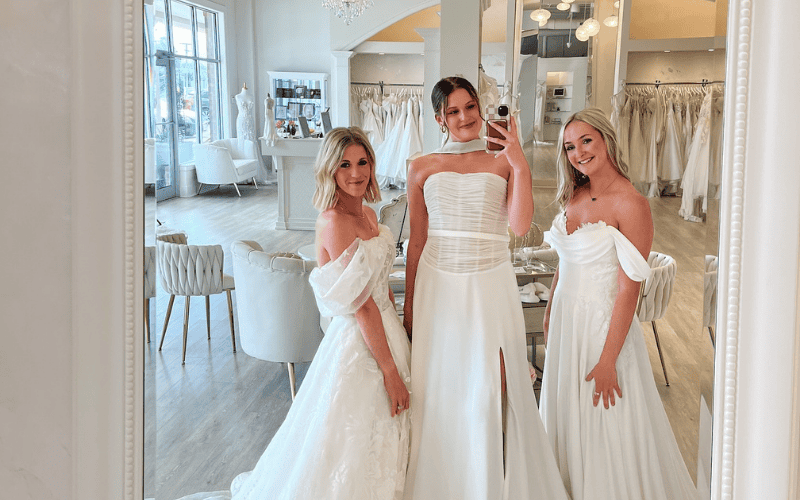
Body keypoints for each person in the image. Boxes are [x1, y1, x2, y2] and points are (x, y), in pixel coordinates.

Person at [174, 127, 412, 500]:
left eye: (362, 162)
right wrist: (390, 371)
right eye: (344, 164)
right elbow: (363, 305)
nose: (356, 173)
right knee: (351, 441)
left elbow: (379, 290)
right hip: (360, 342)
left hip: (387, 330)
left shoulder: (367, 214)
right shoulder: (335, 222)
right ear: (330, 170)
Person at [402, 76, 569, 500]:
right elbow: (417, 241)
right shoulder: (421, 166)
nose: (464, 118)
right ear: (440, 118)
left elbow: (517, 225)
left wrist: (519, 162)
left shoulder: (500, 160)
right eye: (453, 111)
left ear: (480, 107)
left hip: (489, 283)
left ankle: (485, 484)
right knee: (437, 387)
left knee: (486, 390)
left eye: (470, 108)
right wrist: (409, 304)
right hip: (437, 285)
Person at [539, 107, 701, 499]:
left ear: (607, 139)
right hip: (566, 319)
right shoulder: (574, 193)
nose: (578, 153)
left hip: (602, 326)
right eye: (570, 147)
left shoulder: (631, 203)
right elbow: (566, 261)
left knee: (604, 421)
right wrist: (548, 311)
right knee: (566, 412)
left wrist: (609, 358)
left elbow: (629, 290)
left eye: (586, 141)